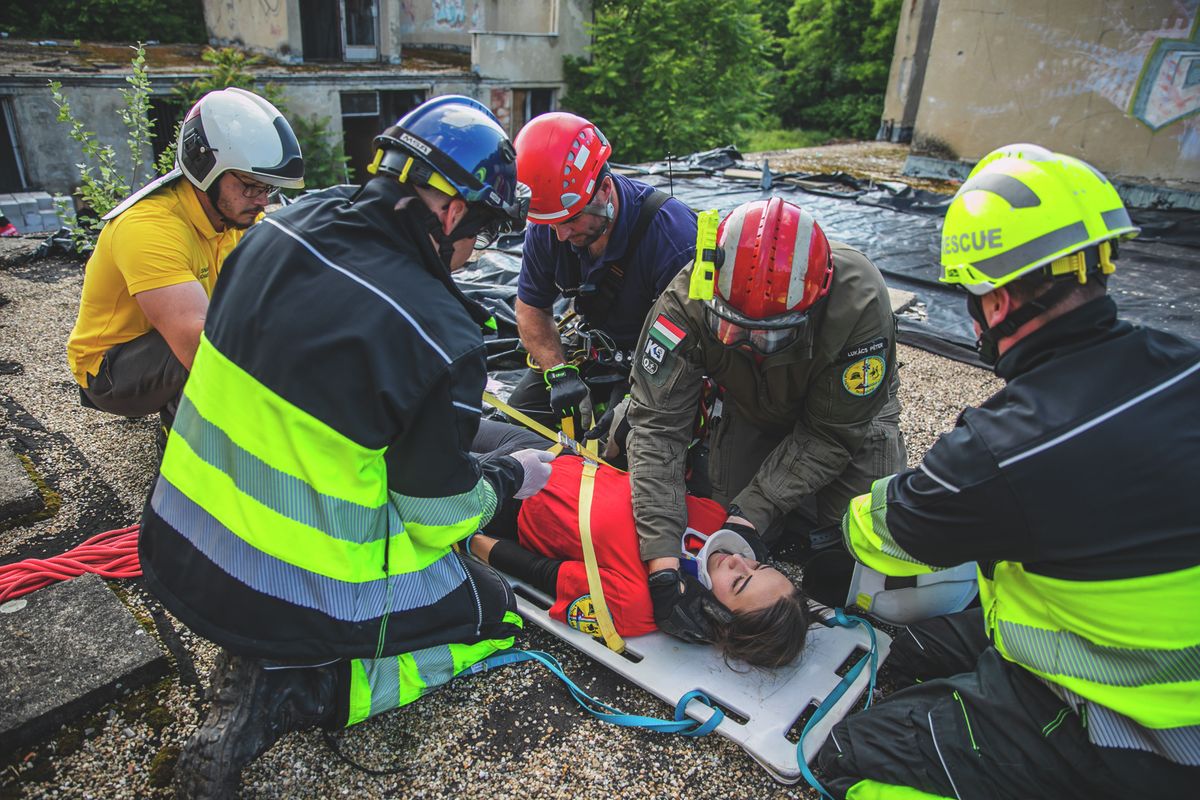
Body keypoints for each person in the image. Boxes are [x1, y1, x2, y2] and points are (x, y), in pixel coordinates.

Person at [138, 95, 549, 798]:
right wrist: (509, 478)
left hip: (177, 544)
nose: (476, 249)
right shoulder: (441, 334)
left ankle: (283, 649)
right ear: (451, 213)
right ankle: (301, 691)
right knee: (494, 612)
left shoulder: (273, 231)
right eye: (480, 228)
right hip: (282, 585)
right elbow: (435, 516)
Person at [819, 144, 1200, 800]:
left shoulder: (1007, 446)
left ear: (995, 301)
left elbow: (888, 529)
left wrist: (851, 515)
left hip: (1127, 730)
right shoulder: (1184, 366)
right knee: (915, 649)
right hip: (1148, 666)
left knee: (849, 758)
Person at [621, 197, 906, 642]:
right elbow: (658, 428)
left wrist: (753, 512)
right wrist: (662, 566)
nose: (745, 341)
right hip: (750, 406)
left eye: (770, 333)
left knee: (858, 559)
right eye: (730, 326)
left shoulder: (859, 300)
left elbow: (831, 433)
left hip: (846, 418)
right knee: (722, 518)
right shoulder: (688, 297)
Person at [66, 88, 304, 443]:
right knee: (217, 346)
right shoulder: (150, 227)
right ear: (205, 166)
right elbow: (199, 344)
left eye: (267, 189)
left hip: (166, 341)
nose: (261, 201)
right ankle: (183, 457)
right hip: (110, 370)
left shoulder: (233, 216)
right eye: (251, 187)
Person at [465, 431, 809, 668]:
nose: (737, 559)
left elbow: (538, 571)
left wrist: (466, 538)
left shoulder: (636, 604)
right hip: (543, 452)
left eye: (739, 582)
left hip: (504, 502)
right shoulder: (718, 523)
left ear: (717, 619)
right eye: (757, 566)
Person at [507, 111, 698, 431]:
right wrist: (559, 373)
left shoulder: (672, 240)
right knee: (519, 421)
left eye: (570, 220)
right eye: (551, 223)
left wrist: (633, 404)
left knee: (627, 442)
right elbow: (531, 309)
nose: (560, 236)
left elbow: (693, 350)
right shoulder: (551, 224)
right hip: (593, 350)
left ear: (605, 189)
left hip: (659, 360)